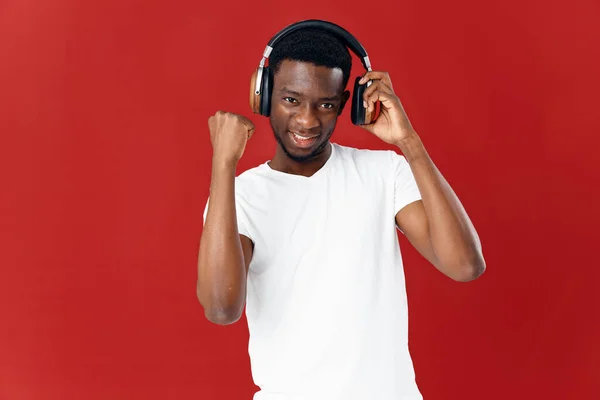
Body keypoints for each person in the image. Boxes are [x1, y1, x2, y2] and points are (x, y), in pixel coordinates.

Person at [197, 21, 486, 400]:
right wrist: (223, 165)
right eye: (290, 100)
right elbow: (221, 307)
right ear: (263, 96)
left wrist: (408, 141)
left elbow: (465, 265)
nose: (307, 120)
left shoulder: (385, 172)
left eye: (326, 104)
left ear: (347, 104)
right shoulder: (242, 195)